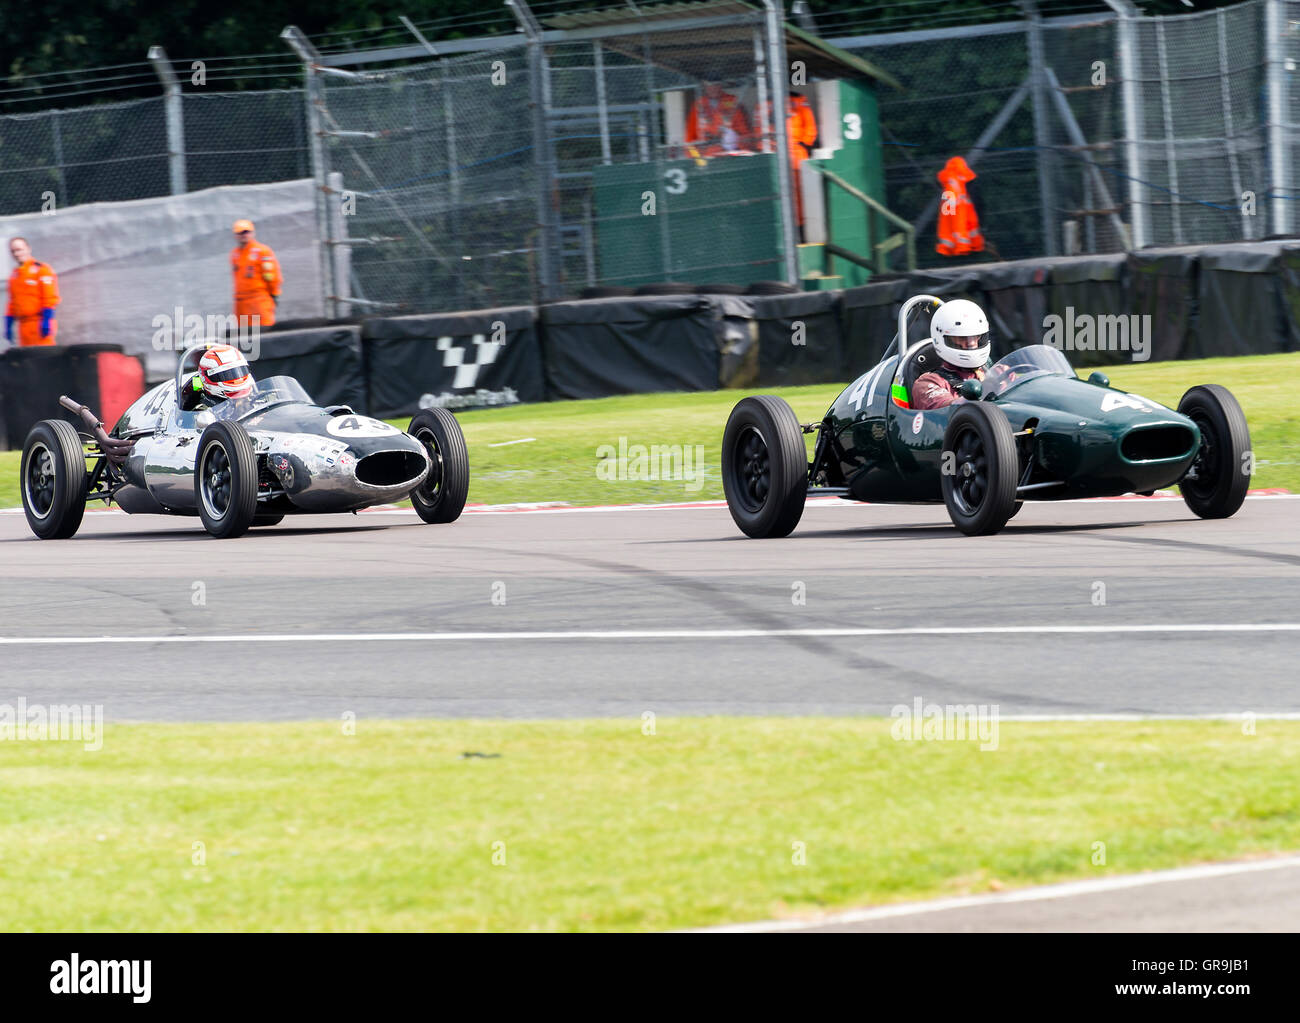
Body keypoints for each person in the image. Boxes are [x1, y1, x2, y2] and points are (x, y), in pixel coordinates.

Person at [910, 299, 991, 410]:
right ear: (944, 339)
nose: (972, 343)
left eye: (976, 336)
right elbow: (948, 411)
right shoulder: (927, 383)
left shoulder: (991, 372)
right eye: (961, 338)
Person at [756, 91, 818, 227]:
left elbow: (810, 128)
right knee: (777, 192)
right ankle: (782, 226)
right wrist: (769, 147)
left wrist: (803, 144)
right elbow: (759, 133)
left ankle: (800, 226)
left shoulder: (799, 100)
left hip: (797, 155)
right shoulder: (764, 104)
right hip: (775, 156)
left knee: (800, 192)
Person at [5, 237, 60, 347]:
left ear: (28, 249)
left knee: (43, 359)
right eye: (13, 251)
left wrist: (46, 320)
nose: (16, 254)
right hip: (23, 326)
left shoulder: (42, 270)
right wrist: (8, 324)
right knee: (27, 361)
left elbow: (49, 297)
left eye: (19, 249)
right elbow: (12, 301)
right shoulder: (15, 275)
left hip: (39, 323)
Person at [230, 219, 282, 328]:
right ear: (235, 235)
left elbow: (271, 275)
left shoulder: (262, 251)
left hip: (259, 300)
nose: (243, 235)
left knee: (264, 330)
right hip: (241, 302)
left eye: (246, 232)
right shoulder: (234, 254)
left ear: (252, 233)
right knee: (245, 336)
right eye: (240, 233)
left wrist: (274, 293)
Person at [180, 344, 255, 411]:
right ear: (205, 378)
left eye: (240, 371)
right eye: (227, 375)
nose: (237, 379)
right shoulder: (203, 412)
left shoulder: (257, 396)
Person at [684, 82, 751, 157]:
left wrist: (738, 149)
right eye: (709, 85)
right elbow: (690, 140)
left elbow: (745, 133)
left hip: (732, 155)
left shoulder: (732, 101)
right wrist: (697, 161)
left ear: (721, 85)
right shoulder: (698, 105)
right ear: (704, 86)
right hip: (708, 157)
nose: (713, 88)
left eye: (716, 84)